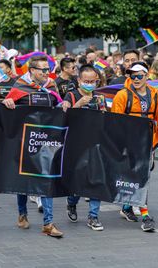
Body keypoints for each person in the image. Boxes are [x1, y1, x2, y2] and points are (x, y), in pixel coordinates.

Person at [3, 55, 64, 238]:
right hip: (23, 141)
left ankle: (48, 223)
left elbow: (59, 106)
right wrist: (7, 103)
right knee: (24, 181)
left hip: (46, 142)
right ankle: (22, 214)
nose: (47, 73)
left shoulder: (51, 87)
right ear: (32, 71)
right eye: (43, 70)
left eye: (48, 69)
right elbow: (7, 110)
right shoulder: (20, 86)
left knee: (46, 179)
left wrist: (65, 104)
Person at [111, 61, 158, 232]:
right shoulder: (122, 96)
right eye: (132, 76)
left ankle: (128, 207)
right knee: (136, 177)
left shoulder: (156, 96)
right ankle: (145, 215)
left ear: (147, 76)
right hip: (127, 145)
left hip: (147, 144)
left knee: (141, 177)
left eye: (139, 76)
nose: (136, 79)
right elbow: (115, 123)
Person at [61, 65, 105, 231]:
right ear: (79, 80)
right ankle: (71, 203)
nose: (89, 84)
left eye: (92, 81)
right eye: (86, 81)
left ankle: (93, 216)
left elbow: (104, 118)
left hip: (95, 145)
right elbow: (63, 119)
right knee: (77, 182)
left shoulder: (99, 98)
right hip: (75, 146)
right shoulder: (71, 95)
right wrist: (78, 104)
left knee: (95, 180)